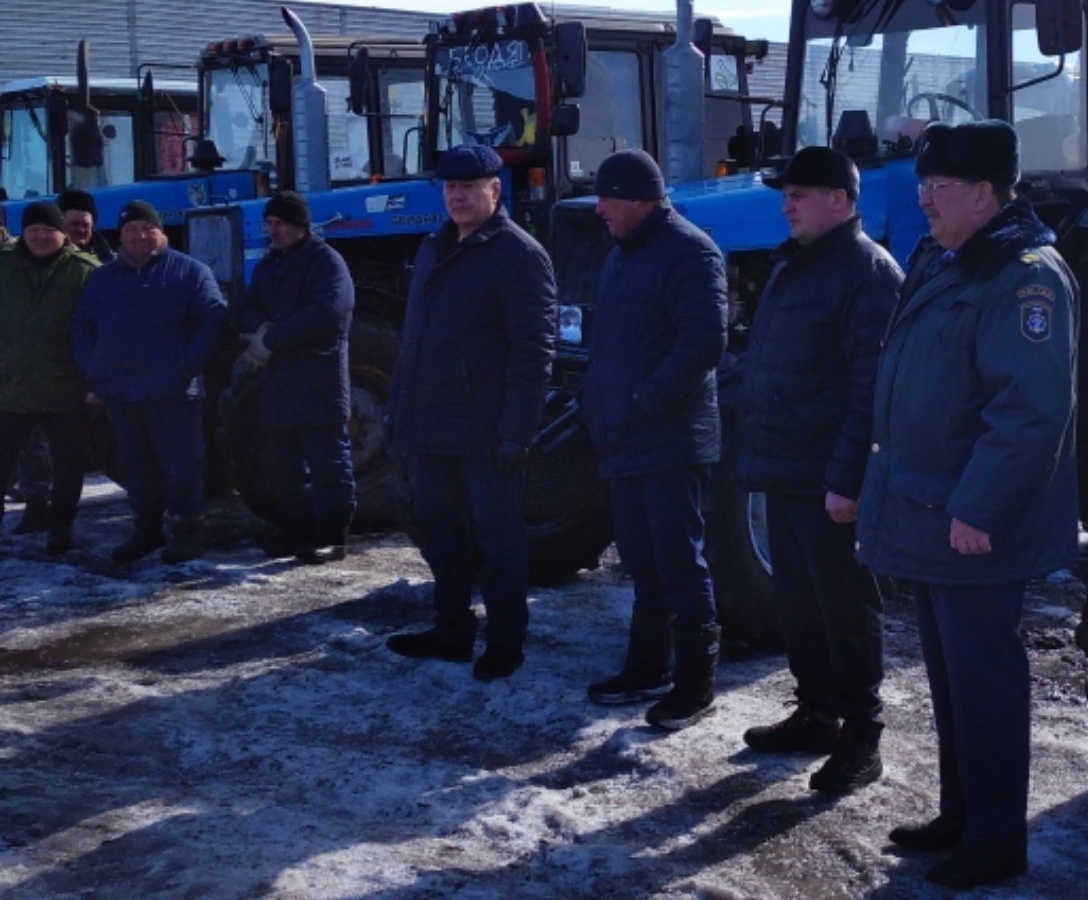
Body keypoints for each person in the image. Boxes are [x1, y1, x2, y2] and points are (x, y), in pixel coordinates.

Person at [856, 121, 1079, 889]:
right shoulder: (945, 257)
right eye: (923, 185)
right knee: (951, 681)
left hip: (975, 523)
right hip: (931, 510)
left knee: (984, 683)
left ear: (985, 194)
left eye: (939, 188)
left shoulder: (1024, 277)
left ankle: (995, 840)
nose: (923, 200)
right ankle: (961, 815)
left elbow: (1028, 412)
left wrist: (980, 509)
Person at [737, 146, 900, 793]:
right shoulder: (794, 266)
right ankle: (815, 713)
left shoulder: (868, 273)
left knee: (845, 607)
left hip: (829, 478)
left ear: (840, 199)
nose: (787, 206)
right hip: (786, 468)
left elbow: (871, 390)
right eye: (786, 195)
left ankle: (862, 735)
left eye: (799, 195)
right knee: (800, 605)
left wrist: (847, 479)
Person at [384, 144, 556, 683]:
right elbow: (413, 342)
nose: (457, 197)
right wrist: (399, 414)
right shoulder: (434, 248)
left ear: (495, 190)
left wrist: (516, 434)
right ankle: (452, 630)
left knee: (498, 540)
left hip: (486, 430)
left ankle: (505, 640)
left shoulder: (519, 256)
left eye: (469, 187)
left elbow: (534, 354)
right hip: (431, 425)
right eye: (450, 187)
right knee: (441, 535)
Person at [582, 149, 727, 731]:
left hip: (670, 436)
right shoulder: (625, 254)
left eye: (607, 198)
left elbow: (704, 342)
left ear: (637, 199)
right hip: (626, 435)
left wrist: (645, 401)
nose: (599, 209)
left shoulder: (690, 251)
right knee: (641, 560)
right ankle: (647, 667)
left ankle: (696, 685)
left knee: (679, 560)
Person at [72, 199, 227, 564]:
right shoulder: (103, 278)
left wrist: (186, 366)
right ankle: (147, 529)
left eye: (148, 228)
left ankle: (187, 531)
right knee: (136, 465)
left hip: (174, 391)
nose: (140, 236)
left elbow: (213, 320)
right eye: (132, 229)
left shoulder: (191, 272)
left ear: (161, 232)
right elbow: (82, 323)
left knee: (182, 466)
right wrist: (91, 365)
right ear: (120, 235)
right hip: (121, 391)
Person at [232, 191, 357, 564]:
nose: (274, 231)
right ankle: (300, 528)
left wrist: (270, 338)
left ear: (301, 225)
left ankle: (334, 534)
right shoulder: (270, 265)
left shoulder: (326, 262)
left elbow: (328, 311)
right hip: (279, 380)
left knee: (327, 460)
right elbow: (247, 308)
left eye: (281, 223)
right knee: (285, 462)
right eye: (269, 224)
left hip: (319, 378)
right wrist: (260, 329)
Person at [0, 201, 99, 553]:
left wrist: (95, 380)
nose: (41, 237)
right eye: (34, 230)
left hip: (66, 387)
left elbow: (101, 328)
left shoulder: (85, 271)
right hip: (11, 387)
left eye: (48, 230)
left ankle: (60, 528)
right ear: (23, 232)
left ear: (62, 234)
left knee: (68, 466)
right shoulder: (4, 265)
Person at [58, 188, 115, 263]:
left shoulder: (107, 260)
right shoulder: (48, 258)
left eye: (86, 225)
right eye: (75, 224)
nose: (81, 230)